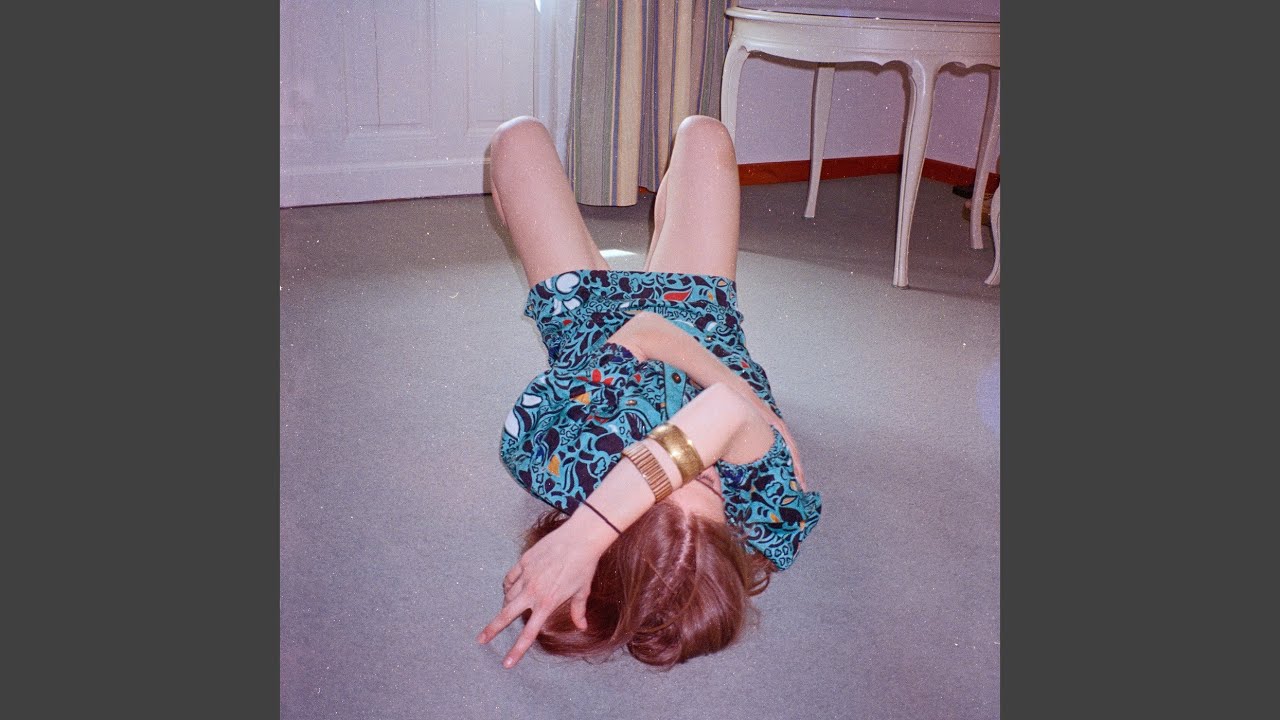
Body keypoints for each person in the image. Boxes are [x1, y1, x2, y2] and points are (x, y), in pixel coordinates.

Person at [476, 114, 822, 670]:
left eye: (662, 480)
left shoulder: (550, 461)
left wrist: (585, 533)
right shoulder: (768, 515)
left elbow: (643, 332)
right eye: (706, 479)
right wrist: (756, 407)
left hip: (592, 320)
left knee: (516, 139)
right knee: (705, 133)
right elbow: (723, 405)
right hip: (701, 318)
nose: (698, 461)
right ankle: (666, 240)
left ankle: (651, 241)